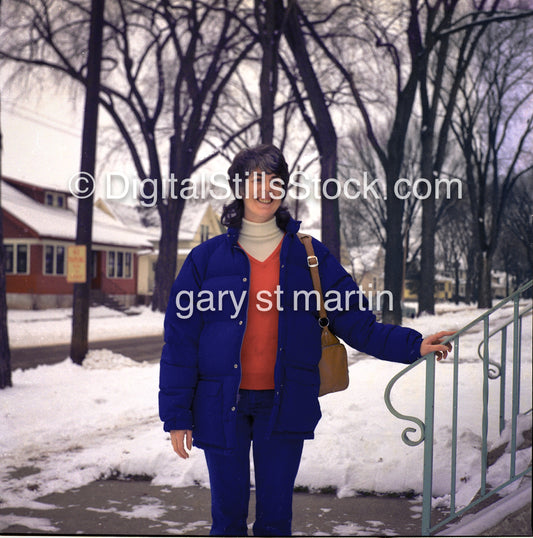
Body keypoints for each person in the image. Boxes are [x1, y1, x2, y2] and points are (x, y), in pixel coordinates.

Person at [159, 144, 454, 536]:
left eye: (275, 181)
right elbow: (181, 342)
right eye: (256, 180)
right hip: (219, 403)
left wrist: (413, 345)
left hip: (284, 402)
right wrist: (177, 416)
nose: (265, 190)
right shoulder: (205, 259)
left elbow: (356, 322)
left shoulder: (309, 256)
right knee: (226, 519)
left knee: (276, 518)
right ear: (239, 187)